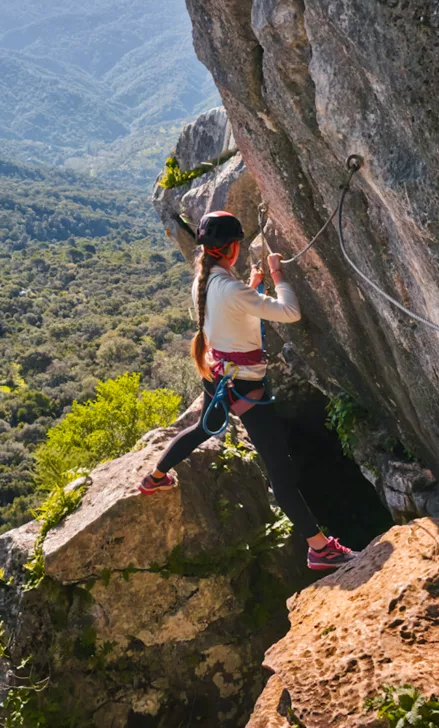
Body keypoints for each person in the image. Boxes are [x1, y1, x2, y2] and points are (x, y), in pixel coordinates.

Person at [139, 209, 356, 572]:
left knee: (204, 428)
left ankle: (155, 477)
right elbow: (289, 312)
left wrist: (253, 289)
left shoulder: (205, 281)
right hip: (243, 385)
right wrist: (277, 274)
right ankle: (320, 549)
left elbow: (230, 313)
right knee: (281, 471)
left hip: (218, 372)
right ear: (233, 248)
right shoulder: (231, 289)